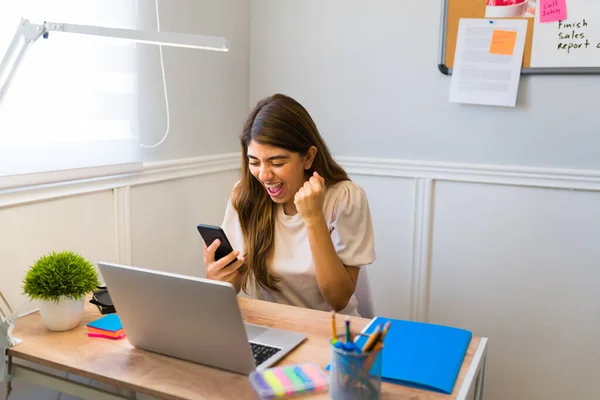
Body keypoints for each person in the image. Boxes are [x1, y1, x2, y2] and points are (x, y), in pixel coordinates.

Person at [203, 93, 375, 316]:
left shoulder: (344, 198)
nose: (263, 175)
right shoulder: (244, 196)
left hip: (331, 332)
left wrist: (313, 218)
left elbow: (337, 299)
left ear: (308, 157)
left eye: (277, 162)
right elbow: (234, 283)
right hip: (271, 328)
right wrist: (219, 280)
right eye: (254, 162)